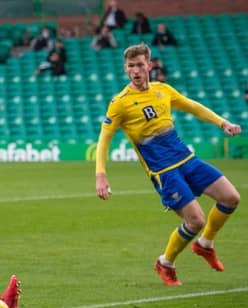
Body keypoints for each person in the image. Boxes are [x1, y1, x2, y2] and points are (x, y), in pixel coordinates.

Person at [95, 44, 241, 286]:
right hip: (164, 171)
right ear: (125, 69)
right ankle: (166, 262)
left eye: (140, 65)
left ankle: (205, 245)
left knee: (231, 197)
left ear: (149, 66)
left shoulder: (163, 90)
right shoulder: (120, 102)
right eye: (131, 66)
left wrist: (222, 122)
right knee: (196, 221)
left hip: (187, 160)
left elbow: (192, 106)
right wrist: (101, 174)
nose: (136, 70)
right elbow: (104, 139)